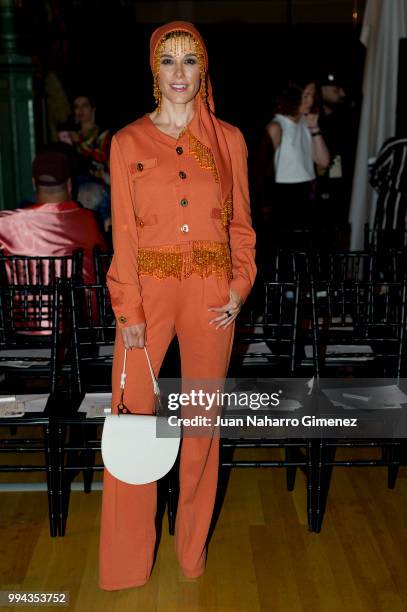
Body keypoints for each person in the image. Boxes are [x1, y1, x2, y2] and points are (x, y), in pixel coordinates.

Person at [99, 21, 256, 591]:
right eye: (169, 61)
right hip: (147, 299)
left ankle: (191, 552)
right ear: (154, 69)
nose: (180, 73)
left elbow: (242, 225)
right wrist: (130, 311)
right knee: (133, 421)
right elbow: (123, 238)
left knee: (201, 425)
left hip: (213, 297)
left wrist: (239, 286)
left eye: (190, 60)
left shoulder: (230, 140)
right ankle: (126, 564)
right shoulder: (127, 142)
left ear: (204, 68)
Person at [0, 150, 106, 284]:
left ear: (34, 183)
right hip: (83, 304)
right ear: (69, 184)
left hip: (27, 305)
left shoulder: (6, 224)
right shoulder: (90, 220)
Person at [265, 77, 330, 248]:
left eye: (312, 96)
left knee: (308, 250)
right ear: (293, 96)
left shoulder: (306, 122)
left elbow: (323, 161)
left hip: (308, 190)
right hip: (284, 195)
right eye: (306, 95)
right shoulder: (276, 126)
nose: (310, 101)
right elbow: (262, 171)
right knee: (288, 250)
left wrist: (314, 129)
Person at [316, 71, 357, 244]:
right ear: (323, 89)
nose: (342, 94)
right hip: (318, 190)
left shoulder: (346, 116)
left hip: (340, 188)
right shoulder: (312, 119)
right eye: (336, 89)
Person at [66, 94, 112, 231]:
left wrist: (79, 143)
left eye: (84, 106)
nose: (80, 110)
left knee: (89, 197)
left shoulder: (103, 134)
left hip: (99, 181)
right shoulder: (70, 134)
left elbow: (101, 157)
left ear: (93, 109)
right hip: (74, 182)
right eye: (76, 107)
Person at [369, 135, 407, 249]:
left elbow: (375, 178)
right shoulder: (396, 145)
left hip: (391, 223)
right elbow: (375, 177)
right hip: (391, 225)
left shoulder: (396, 145)